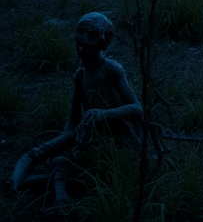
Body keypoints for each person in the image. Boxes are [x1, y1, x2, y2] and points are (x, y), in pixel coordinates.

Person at [12, 12, 142, 203]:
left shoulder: (112, 70)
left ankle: (60, 186)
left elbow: (137, 108)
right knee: (48, 156)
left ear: (102, 42)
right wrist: (67, 142)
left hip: (118, 135)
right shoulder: (81, 75)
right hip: (89, 131)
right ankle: (43, 186)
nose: (81, 49)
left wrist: (104, 114)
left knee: (67, 163)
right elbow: (74, 115)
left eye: (88, 41)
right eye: (78, 42)